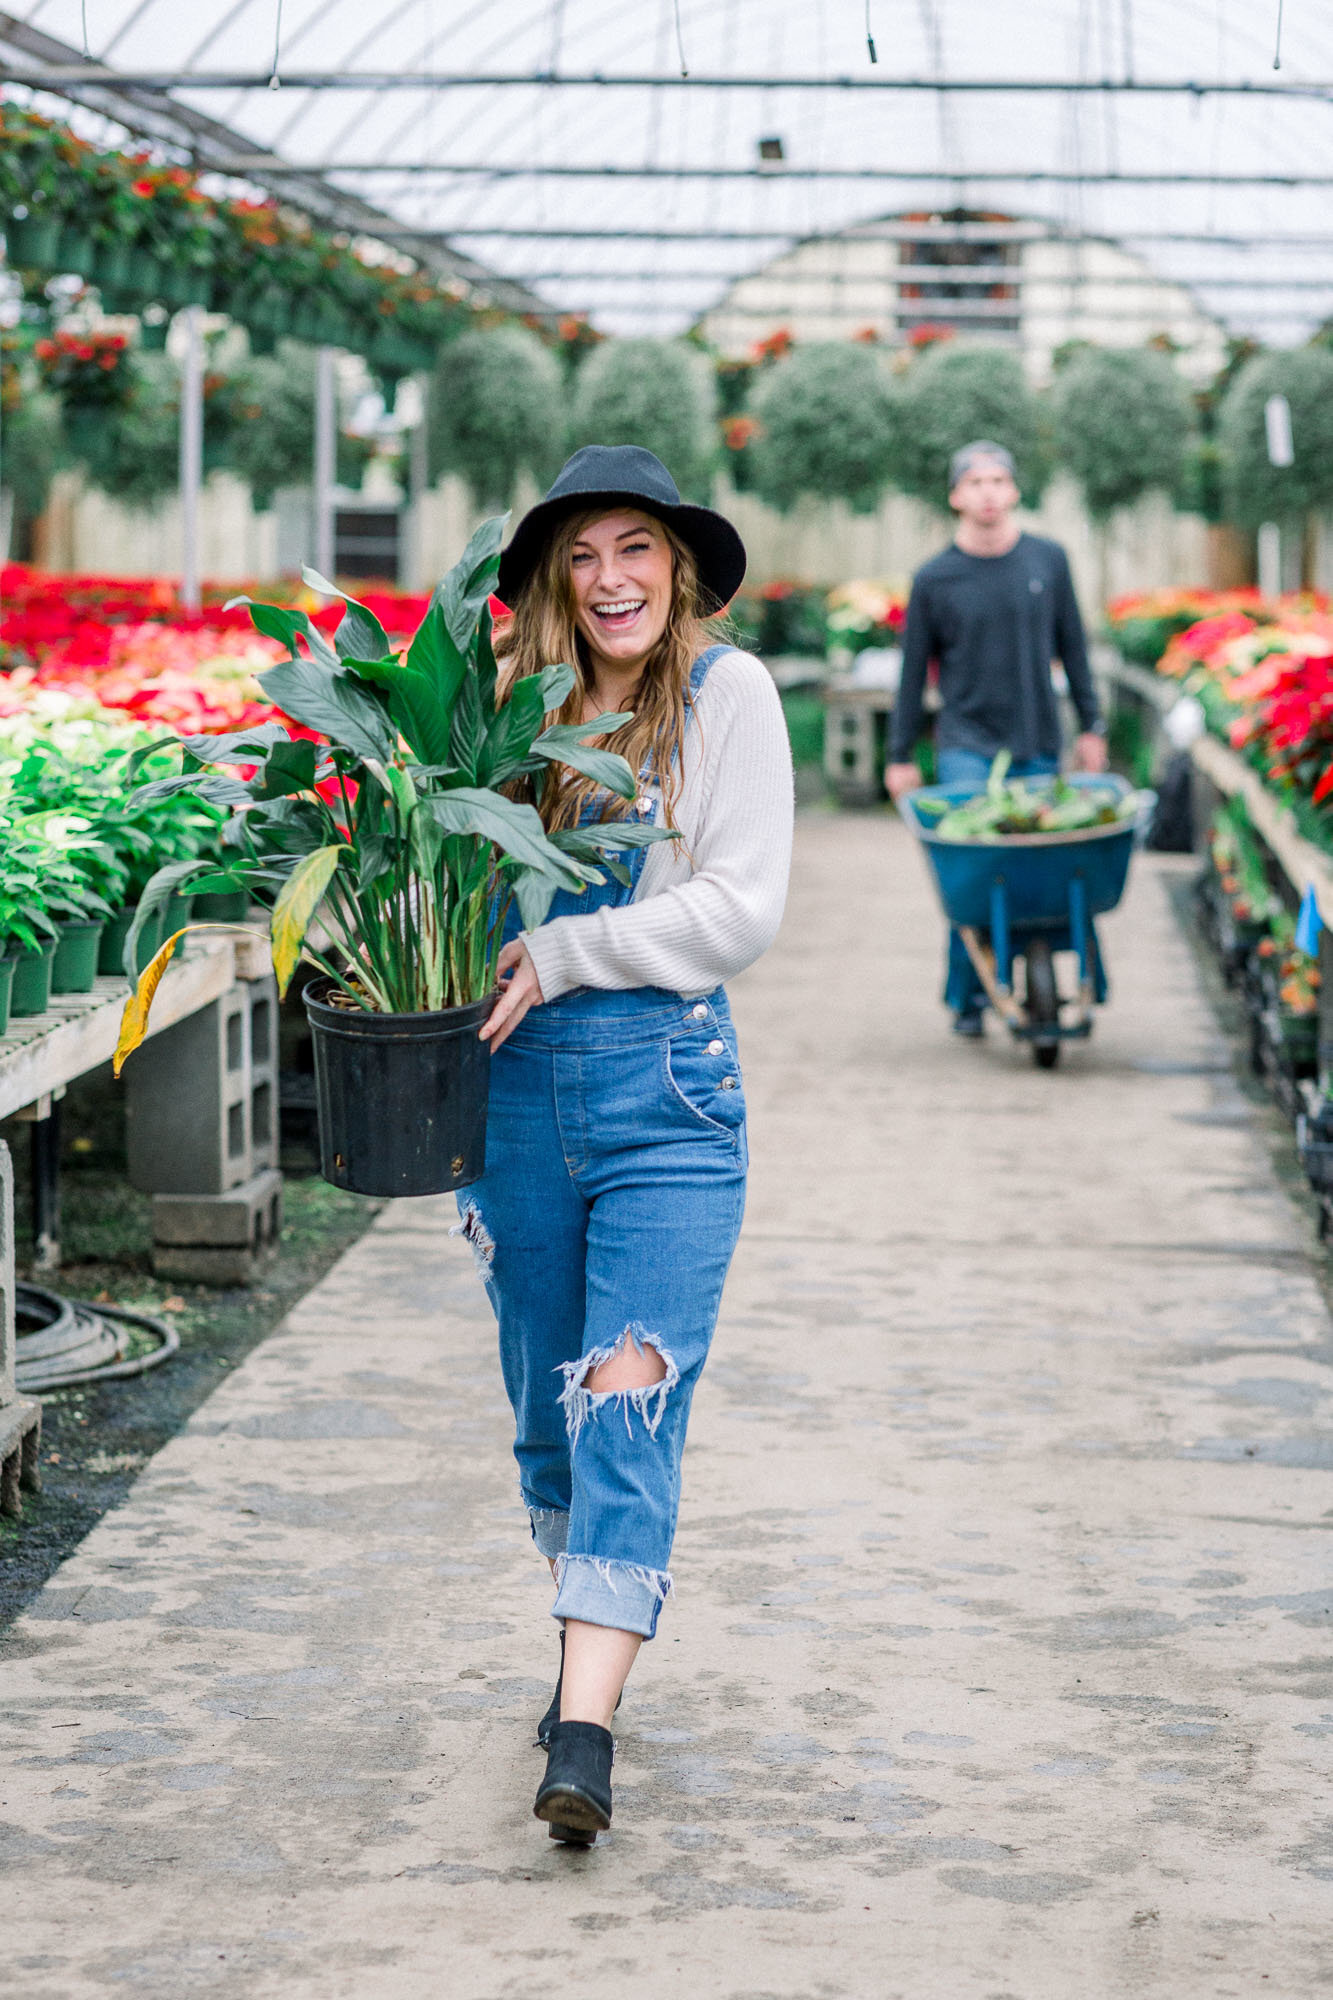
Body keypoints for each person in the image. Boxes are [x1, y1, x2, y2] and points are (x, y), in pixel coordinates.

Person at [455, 444, 794, 1846]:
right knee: (549, 1423)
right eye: (583, 556)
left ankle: (584, 1729)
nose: (610, 580)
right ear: (550, 576)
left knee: (628, 1403)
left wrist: (569, 943)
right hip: (514, 1101)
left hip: (666, 1101)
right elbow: (444, 876)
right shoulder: (502, 717)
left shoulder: (727, 697)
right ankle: (577, 1658)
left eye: (635, 551)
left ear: (678, 568)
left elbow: (736, 910)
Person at [885, 440, 1108, 1035]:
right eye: (975, 482)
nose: (987, 493)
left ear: (1013, 492)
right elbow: (912, 673)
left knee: (1048, 864)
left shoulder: (1048, 561)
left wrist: (1091, 725)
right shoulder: (935, 578)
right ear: (957, 496)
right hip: (966, 742)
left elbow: (1075, 649)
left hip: (1037, 737)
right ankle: (969, 995)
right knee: (973, 868)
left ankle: (1076, 978)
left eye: (998, 481)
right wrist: (899, 754)